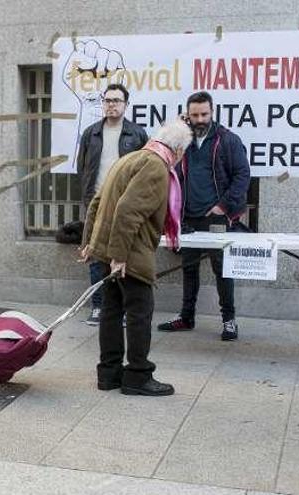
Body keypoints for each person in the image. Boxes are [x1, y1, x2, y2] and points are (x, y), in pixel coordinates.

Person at [80, 118, 192, 396]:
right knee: (140, 312)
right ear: (178, 151)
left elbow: (97, 202)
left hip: (109, 248)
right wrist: (120, 256)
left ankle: (109, 373)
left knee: (111, 311)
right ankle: (138, 376)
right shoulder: (155, 166)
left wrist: (90, 244)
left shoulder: (130, 158)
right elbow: (128, 211)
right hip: (129, 253)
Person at [157, 91, 251, 341]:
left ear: (212, 112)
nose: (200, 119)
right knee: (189, 269)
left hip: (216, 219)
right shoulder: (182, 140)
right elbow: (160, 153)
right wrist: (177, 127)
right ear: (188, 115)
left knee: (223, 270)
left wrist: (223, 206)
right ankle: (186, 317)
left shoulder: (227, 140)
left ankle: (229, 320)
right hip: (188, 217)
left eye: (204, 114)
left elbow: (243, 176)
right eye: (194, 115)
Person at [76, 84, 148, 326]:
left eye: (116, 100)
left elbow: (144, 172)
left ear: (126, 104)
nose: (111, 105)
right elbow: (82, 168)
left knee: (124, 256)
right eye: (107, 100)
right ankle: (98, 306)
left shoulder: (137, 134)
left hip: (125, 205)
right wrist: (88, 200)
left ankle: (125, 309)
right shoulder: (90, 133)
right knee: (97, 256)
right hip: (97, 203)